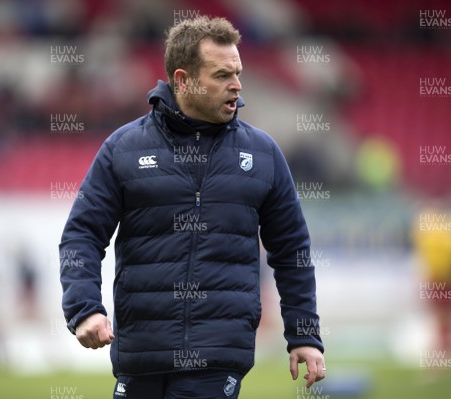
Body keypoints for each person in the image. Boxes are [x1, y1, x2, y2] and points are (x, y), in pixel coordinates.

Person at [60, 16, 325, 398]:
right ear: (182, 80)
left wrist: (304, 333)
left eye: (237, 72)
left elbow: (292, 251)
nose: (236, 85)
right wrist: (84, 307)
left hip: (217, 357)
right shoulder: (123, 149)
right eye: (221, 75)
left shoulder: (263, 154)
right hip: (140, 354)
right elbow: (81, 235)